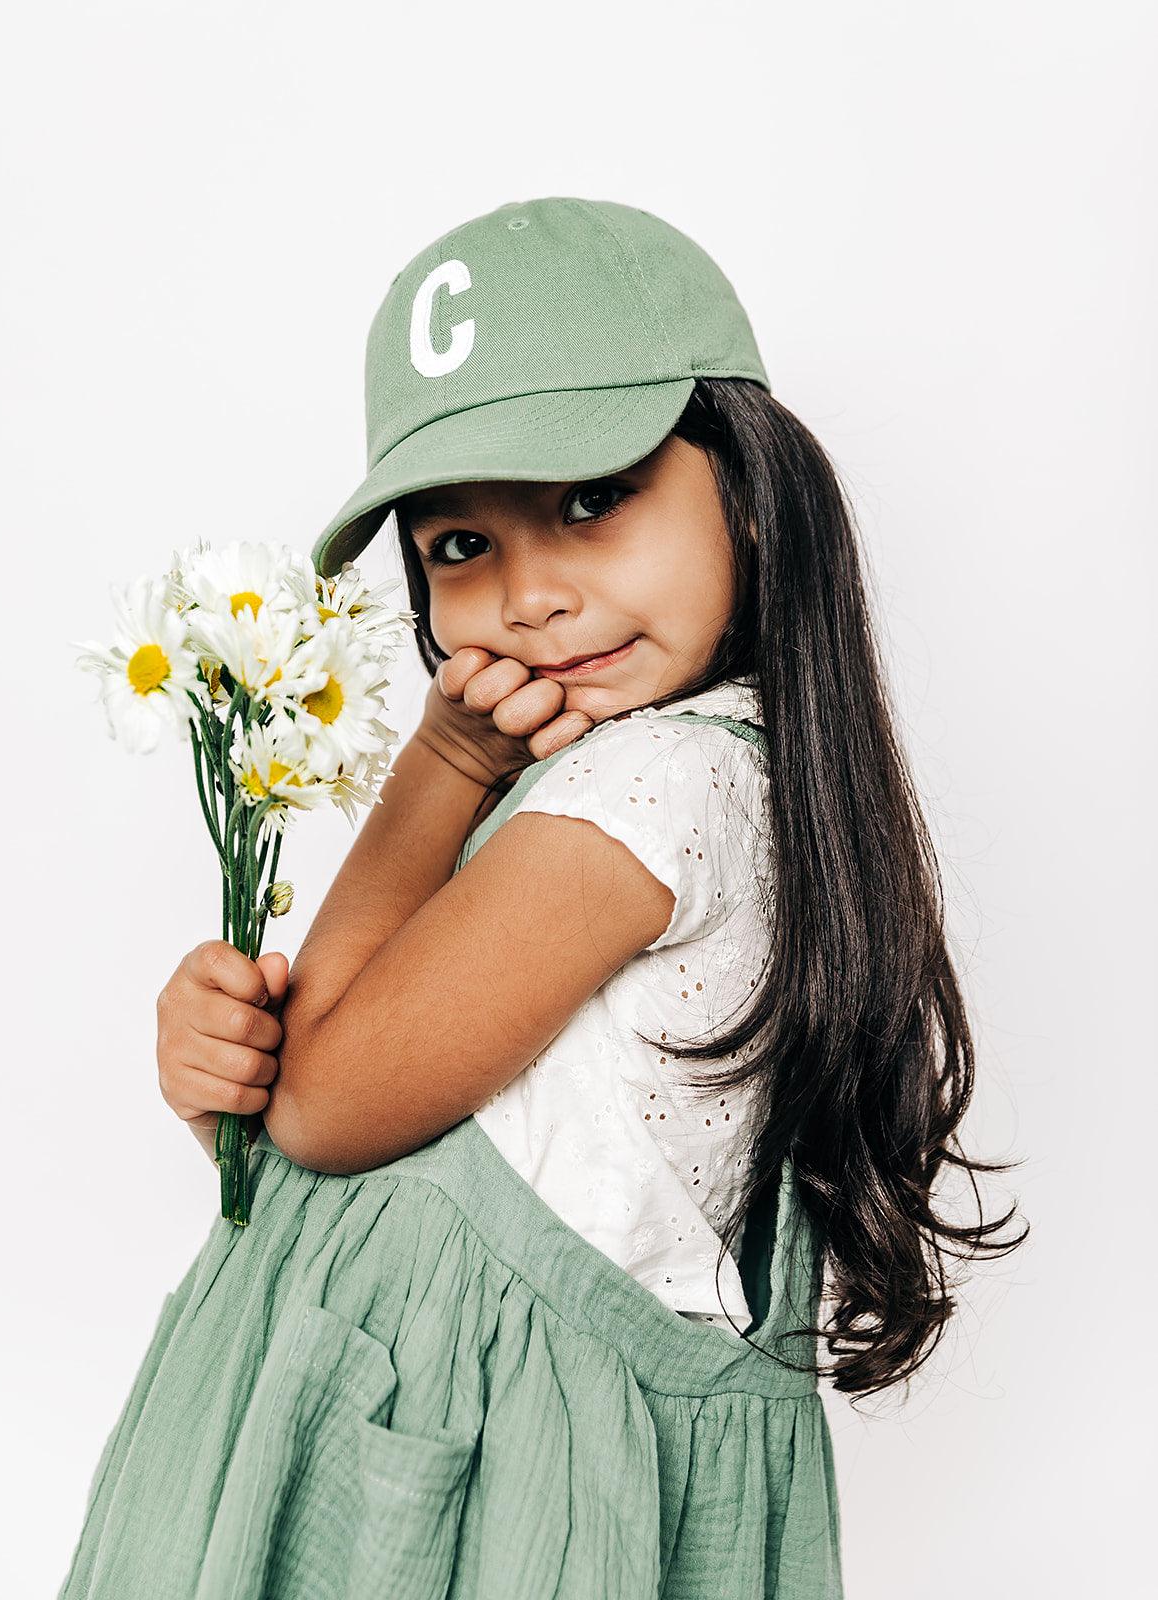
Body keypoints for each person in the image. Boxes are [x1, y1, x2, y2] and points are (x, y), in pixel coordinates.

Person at [58, 196, 1026, 1599]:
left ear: (750, 490)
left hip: (468, 1505)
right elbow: (338, 1092)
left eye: (592, 501)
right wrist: (233, 1077)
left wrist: (438, 768)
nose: (530, 597)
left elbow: (327, 1108)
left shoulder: (650, 798)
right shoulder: (648, 772)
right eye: (461, 545)